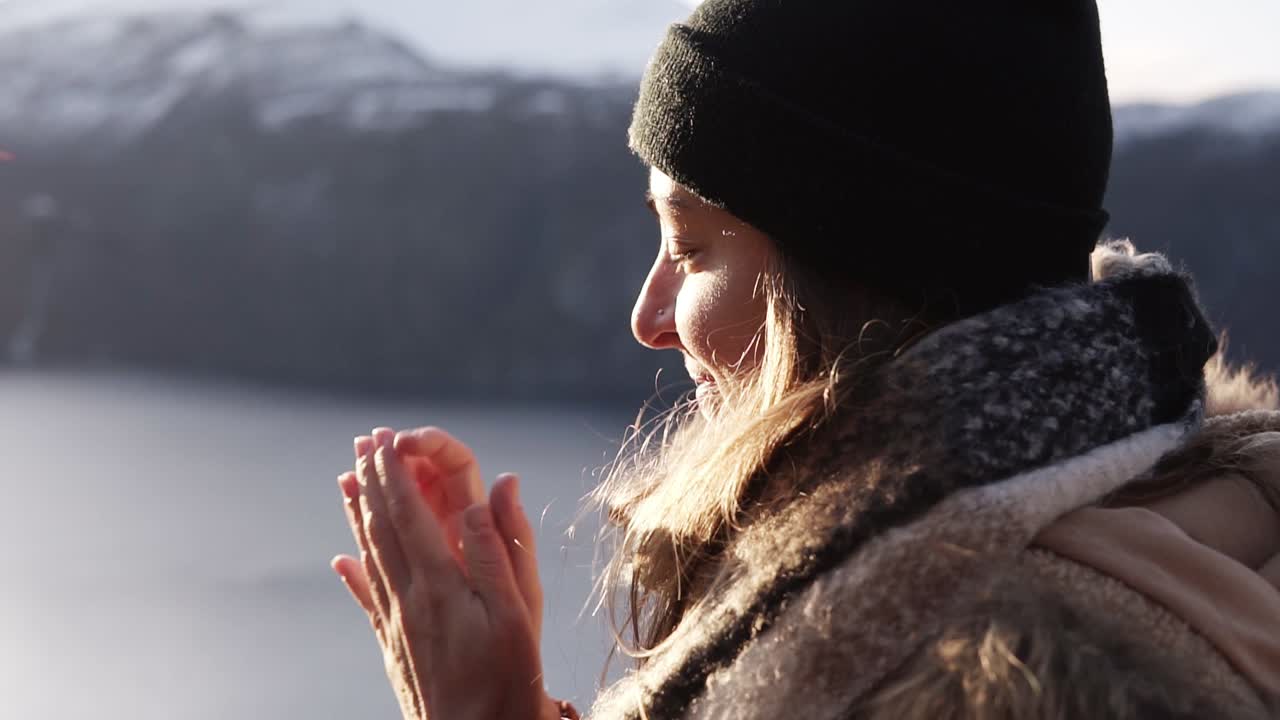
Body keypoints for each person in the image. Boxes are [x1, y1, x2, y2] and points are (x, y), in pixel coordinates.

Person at [329, 0, 1280, 717]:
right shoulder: (1190, 520)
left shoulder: (979, 675)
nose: (647, 316)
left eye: (692, 248)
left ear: (857, 264)